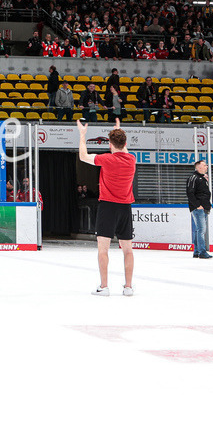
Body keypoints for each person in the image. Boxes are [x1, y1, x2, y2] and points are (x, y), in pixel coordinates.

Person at [78, 118, 135, 296]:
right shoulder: (131, 160)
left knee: (103, 249)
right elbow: (122, 149)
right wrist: (118, 131)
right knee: (127, 250)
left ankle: (104, 286)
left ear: (110, 144)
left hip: (108, 207)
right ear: (125, 143)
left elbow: (83, 156)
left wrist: (82, 135)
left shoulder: (106, 159)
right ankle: (128, 287)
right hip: (125, 207)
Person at [186, 160, 213, 260]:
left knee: (199, 230)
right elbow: (190, 193)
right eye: (205, 165)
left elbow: (205, 193)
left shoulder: (202, 178)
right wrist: (197, 205)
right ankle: (202, 251)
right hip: (198, 208)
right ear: (199, 167)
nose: (207, 166)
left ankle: (197, 251)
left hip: (203, 207)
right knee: (201, 230)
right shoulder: (194, 178)